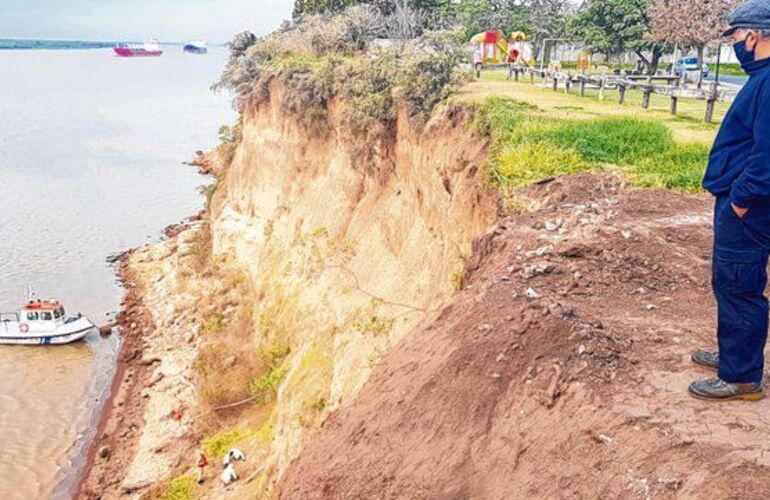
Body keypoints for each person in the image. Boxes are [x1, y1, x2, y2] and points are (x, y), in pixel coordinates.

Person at [694, 0, 770, 401]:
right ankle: (734, 355)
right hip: (745, 201)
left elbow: (767, 154)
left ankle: (740, 377)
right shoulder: (762, 78)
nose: (736, 44)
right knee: (733, 282)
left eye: (737, 35)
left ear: (754, 35)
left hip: (749, 206)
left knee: (739, 284)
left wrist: (741, 199)